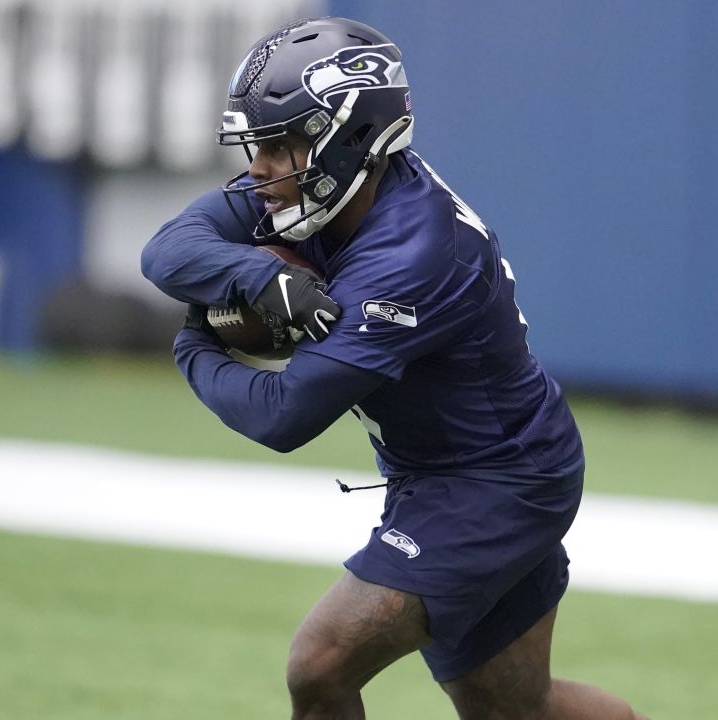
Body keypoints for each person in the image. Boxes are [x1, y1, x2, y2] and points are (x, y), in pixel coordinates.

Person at [141, 16, 646, 720]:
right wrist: (255, 279)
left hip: (498, 482)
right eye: (256, 143)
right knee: (516, 709)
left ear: (353, 139)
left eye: (281, 143)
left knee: (320, 665)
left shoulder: (409, 255)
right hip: (453, 467)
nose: (259, 167)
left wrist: (192, 349)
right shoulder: (328, 190)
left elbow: (285, 415)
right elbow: (166, 249)